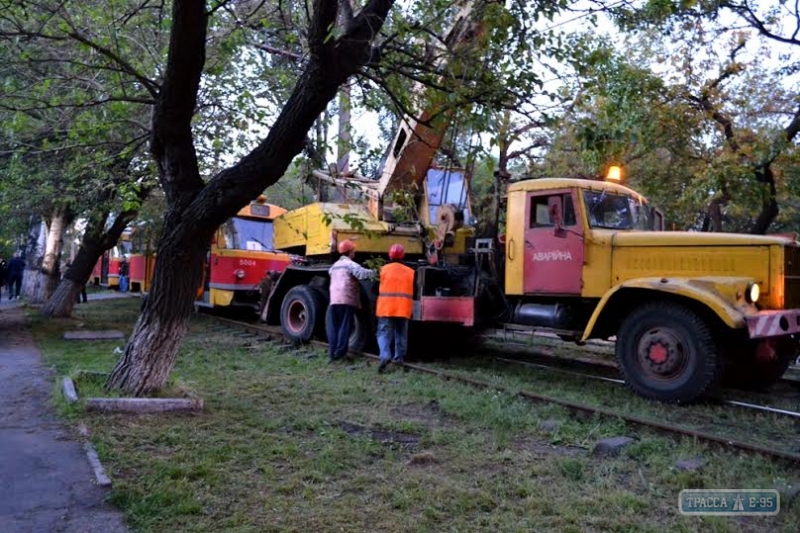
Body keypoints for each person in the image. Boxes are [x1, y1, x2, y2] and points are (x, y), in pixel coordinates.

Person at [326, 239, 376, 362]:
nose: (354, 253)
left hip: (334, 300)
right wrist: (376, 271)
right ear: (350, 252)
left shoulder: (334, 266)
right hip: (346, 300)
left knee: (334, 328)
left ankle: (332, 354)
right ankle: (340, 354)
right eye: (353, 250)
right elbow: (362, 274)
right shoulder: (350, 264)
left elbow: (330, 273)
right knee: (344, 327)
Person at [376, 244, 415, 373]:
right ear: (403, 255)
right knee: (401, 335)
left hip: (387, 308)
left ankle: (385, 356)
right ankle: (399, 359)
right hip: (403, 309)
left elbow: (375, 288)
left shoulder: (383, 270)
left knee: (384, 333)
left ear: (390, 255)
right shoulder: (410, 272)